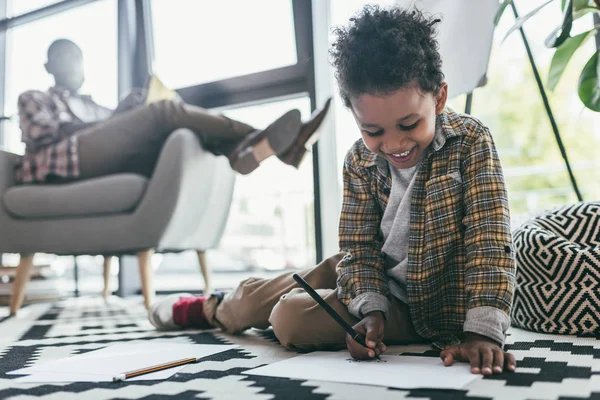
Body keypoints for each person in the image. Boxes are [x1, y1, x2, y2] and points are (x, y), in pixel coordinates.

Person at [148, 5, 517, 375]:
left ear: (438, 98)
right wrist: (370, 308)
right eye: (373, 132)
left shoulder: (470, 142)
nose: (394, 143)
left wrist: (482, 332)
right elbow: (358, 248)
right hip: (368, 273)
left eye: (408, 124)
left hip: (429, 303)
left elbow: (490, 242)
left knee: (290, 319)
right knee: (253, 302)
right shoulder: (359, 160)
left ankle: (235, 305)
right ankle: (214, 308)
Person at [16, 39, 330, 184]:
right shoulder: (33, 97)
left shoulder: (91, 103)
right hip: (64, 162)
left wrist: (125, 112)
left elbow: (110, 130)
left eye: (79, 57)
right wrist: (117, 119)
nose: (75, 64)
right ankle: (262, 139)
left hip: (101, 157)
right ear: (47, 66)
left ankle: (243, 152)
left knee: (180, 127)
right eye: (66, 57)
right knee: (165, 111)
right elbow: (48, 133)